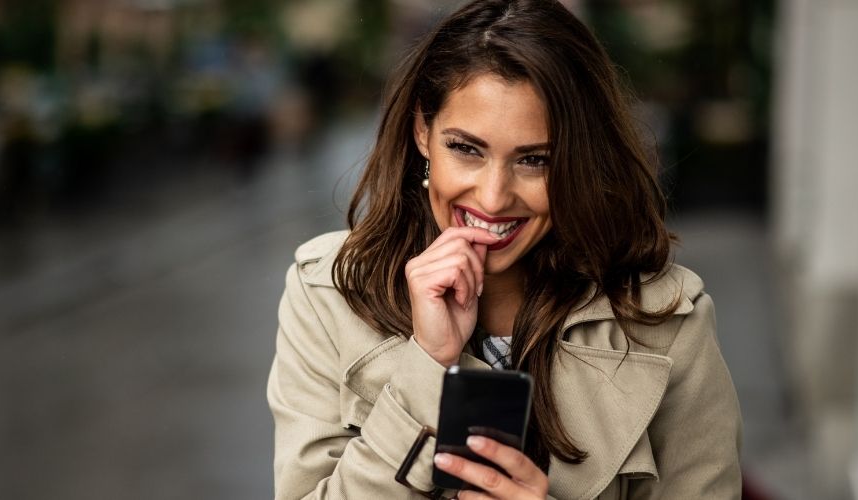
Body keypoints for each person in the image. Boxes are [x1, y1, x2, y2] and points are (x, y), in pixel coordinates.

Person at [267, 0, 743, 498]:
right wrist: (427, 365)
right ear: (422, 133)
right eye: (466, 149)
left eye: (534, 160)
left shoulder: (665, 322)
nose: (493, 198)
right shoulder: (328, 293)